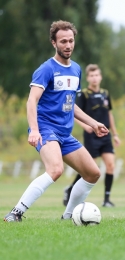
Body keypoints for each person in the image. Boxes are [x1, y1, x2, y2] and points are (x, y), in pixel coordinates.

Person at [3, 20, 109, 222]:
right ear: (54, 43)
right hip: (45, 129)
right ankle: (15, 213)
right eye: (63, 41)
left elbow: (70, 104)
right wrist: (34, 130)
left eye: (70, 41)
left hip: (64, 133)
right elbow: (31, 101)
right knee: (55, 169)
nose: (68, 45)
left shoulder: (76, 69)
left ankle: (68, 216)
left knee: (93, 173)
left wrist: (93, 123)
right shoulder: (46, 69)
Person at [63, 64, 121, 208]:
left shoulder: (105, 93)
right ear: (88, 78)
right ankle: (70, 190)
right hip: (91, 136)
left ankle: (106, 200)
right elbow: (73, 112)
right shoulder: (83, 94)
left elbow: (109, 114)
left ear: (100, 77)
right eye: (92, 76)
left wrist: (115, 134)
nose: (94, 78)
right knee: (89, 167)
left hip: (105, 135)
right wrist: (86, 126)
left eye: (97, 75)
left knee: (111, 165)